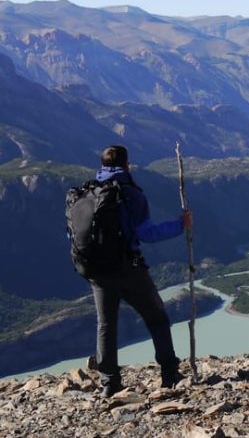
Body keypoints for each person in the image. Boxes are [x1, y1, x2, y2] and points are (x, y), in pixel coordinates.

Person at [90, 145, 193, 397]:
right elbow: (147, 233)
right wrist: (181, 225)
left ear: (102, 166)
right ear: (127, 165)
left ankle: (109, 383)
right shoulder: (131, 194)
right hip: (128, 268)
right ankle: (169, 374)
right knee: (156, 317)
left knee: (106, 324)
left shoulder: (88, 192)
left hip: (97, 271)